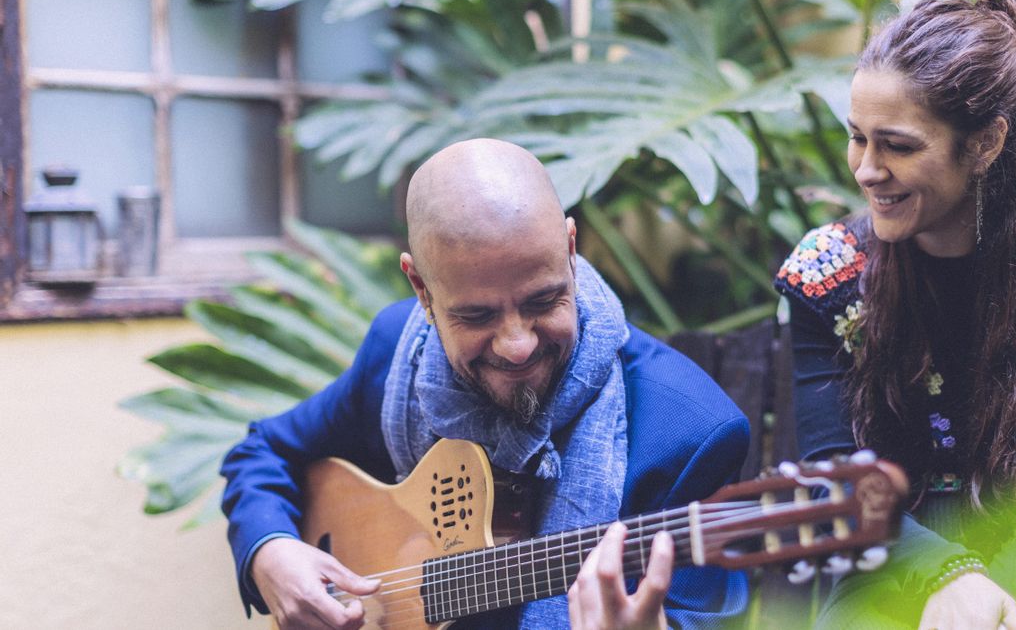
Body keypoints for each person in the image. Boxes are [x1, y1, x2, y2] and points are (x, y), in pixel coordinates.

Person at [221, 138, 750, 629]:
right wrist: (269, 551)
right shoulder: (395, 354)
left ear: (570, 248)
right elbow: (264, 451)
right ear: (421, 288)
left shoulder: (689, 433)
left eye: (543, 301)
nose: (517, 345)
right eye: (476, 316)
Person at [774, 0, 1016, 630]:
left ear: (986, 143)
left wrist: (990, 600)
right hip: (883, 563)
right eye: (858, 138)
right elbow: (832, 479)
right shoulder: (827, 273)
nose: (866, 169)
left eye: (898, 145)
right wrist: (947, 573)